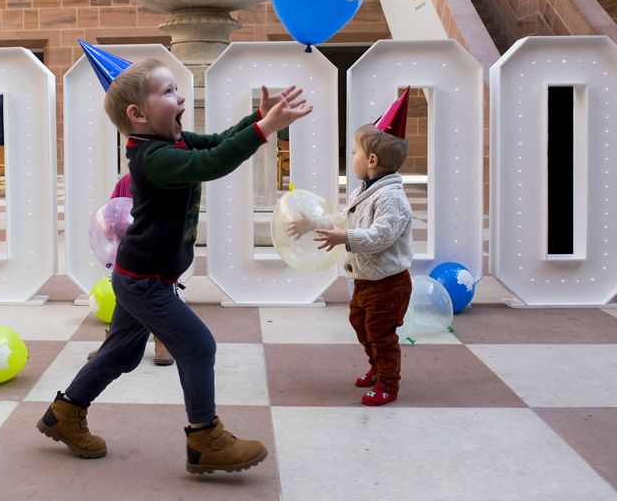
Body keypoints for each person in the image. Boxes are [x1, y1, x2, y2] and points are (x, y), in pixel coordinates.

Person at [37, 51, 312, 473]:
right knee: (198, 345)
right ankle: (205, 439)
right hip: (145, 281)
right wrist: (263, 130)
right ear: (138, 114)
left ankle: (64, 414)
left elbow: (217, 142)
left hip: (141, 275)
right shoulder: (154, 157)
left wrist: (252, 120)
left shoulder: (172, 141)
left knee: (122, 355)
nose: (180, 97)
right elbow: (212, 163)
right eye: (168, 91)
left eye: (177, 88)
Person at [288, 88, 413, 406]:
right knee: (361, 324)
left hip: (389, 283)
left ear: (372, 160)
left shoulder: (391, 197)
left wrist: (346, 239)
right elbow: (343, 220)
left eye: (354, 152)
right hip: (367, 280)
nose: (352, 157)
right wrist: (310, 225)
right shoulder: (366, 189)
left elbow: (381, 236)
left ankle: (388, 383)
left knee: (381, 334)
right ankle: (376, 366)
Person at [87, 172, 175, 366]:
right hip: (128, 251)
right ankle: (113, 342)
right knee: (123, 296)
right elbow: (112, 211)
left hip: (159, 253)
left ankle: (162, 340)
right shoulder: (127, 181)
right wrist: (111, 228)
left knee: (163, 296)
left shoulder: (171, 178)